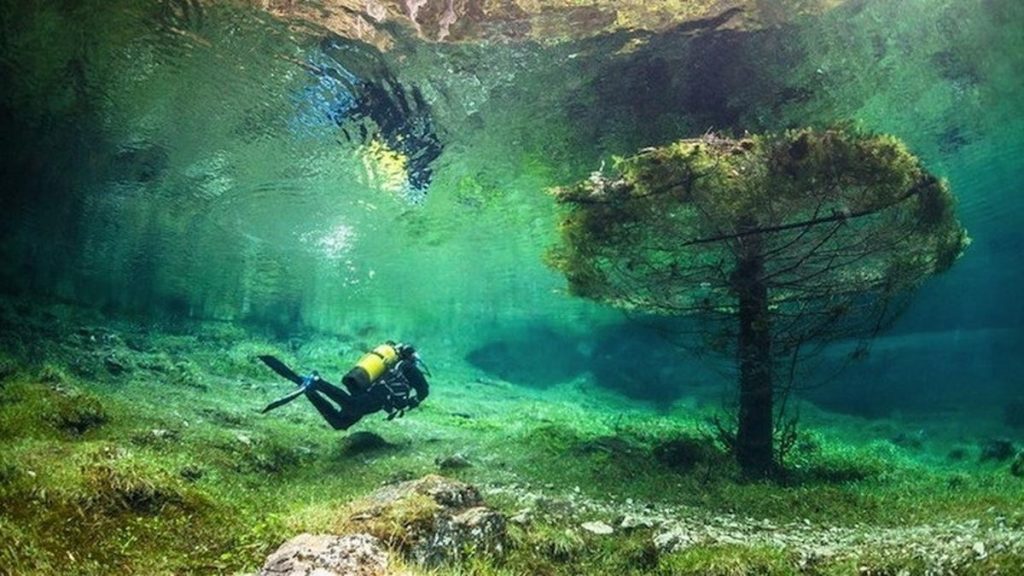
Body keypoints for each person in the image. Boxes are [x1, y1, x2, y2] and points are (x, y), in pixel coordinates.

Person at [258, 341, 429, 430]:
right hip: (378, 395)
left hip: (369, 391)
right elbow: (424, 390)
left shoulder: (392, 364)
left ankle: (310, 390)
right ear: (411, 358)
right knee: (352, 406)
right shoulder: (408, 367)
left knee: (341, 423)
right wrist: (414, 401)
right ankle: (316, 382)